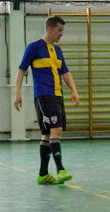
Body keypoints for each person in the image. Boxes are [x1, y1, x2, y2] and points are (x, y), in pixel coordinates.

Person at [14, 16, 80, 185]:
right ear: (49, 29)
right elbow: (21, 70)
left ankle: (43, 174)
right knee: (56, 129)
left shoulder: (57, 51)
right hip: (44, 96)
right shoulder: (34, 47)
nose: (62, 34)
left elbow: (65, 72)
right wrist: (17, 93)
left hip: (57, 95)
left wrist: (73, 90)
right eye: (59, 30)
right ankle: (60, 170)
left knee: (48, 133)